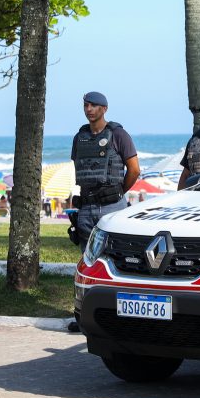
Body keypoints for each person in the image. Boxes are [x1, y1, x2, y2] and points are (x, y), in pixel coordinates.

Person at [69, 91, 140, 331]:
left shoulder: (118, 134)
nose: (89, 109)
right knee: (87, 263)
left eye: (93, 105)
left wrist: (119, 192)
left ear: (104, 109)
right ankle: (84, 316)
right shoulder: (80, 137)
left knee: (117, 262)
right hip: (87, 208)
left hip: (112, 206)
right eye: (86, 105)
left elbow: (134, 169)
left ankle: (121, 317)